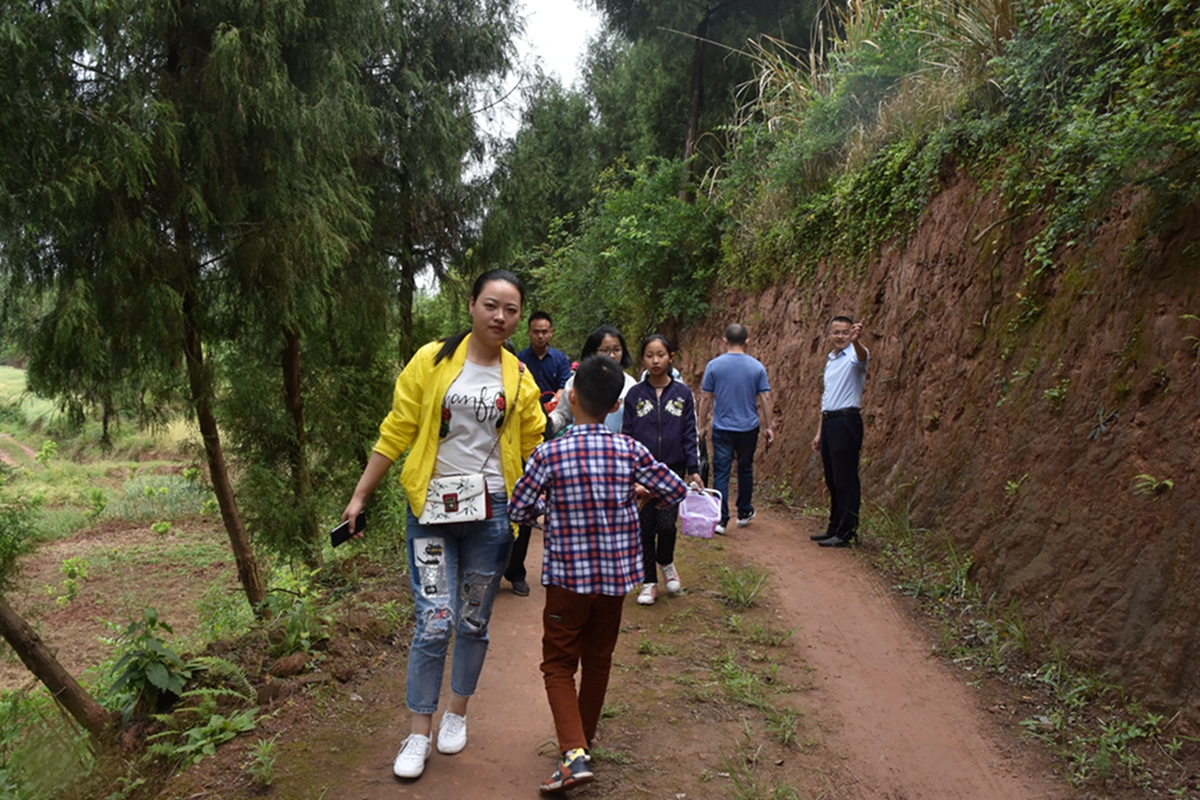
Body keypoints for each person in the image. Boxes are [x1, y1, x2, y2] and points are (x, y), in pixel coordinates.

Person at [340, 269, 545, 781]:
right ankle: (418, 730)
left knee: (473, 619)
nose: (501, 317)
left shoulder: (519, 376)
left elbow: (534, 444)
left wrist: (551, 496)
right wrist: (361, 494)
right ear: (472, 304)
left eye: (511, 309)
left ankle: (457, 713)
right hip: (429, 511)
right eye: (491, 305)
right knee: (433, 620)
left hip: (492, 514)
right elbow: (398, 428)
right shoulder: (431, 361)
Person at [507, 355, 687, 794]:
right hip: (614, 580)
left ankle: (573, 753)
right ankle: (581, 743)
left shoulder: (550, 452)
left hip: (568, 579)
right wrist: (639, 493)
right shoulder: (628, 449)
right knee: (599, 660)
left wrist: (549, 511)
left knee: (558, 664)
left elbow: (519, 508)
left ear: (571, 396)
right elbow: (676, 489)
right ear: (614, 408)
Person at [622, 335, 702, 606]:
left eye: (660, 355)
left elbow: (690, 432)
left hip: (672, 472)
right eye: (649, 355)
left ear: (671, 356)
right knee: (644, 529)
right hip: (642, 473)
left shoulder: (682, 393)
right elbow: (628, 435)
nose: (655, 360)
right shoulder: (634, 395)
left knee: (667, 525)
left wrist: (693, 468)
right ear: (643, 359)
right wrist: (628, 471)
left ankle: (666, 563)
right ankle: (649, 582)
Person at [506, 312, 572, 598]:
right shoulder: (519, 360)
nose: (540, 336)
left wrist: (552, 408)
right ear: (529, 332)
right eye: (536, 331)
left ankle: (516, 572)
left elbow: (564, 387)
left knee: (526, 500)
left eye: (545, 331)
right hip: (504, 445)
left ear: (551, 332)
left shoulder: (559, 359)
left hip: (544, 428)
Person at [698, 324, 774, 534]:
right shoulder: (757, 367)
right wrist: (770, 427)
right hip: (748, 427)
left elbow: (706, 397)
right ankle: (743, 511)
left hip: (722, 426)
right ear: (747, 341)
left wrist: (701, 426)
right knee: (745, 467)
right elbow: (766, 398)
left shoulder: (714, 366)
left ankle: (721, 520)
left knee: (721, 472)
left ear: (725, 341)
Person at [811, 316, 869, 548]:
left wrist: (857, 341)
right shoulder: (831, 360)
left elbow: (863, 357)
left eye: (845, 332)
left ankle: (847, 532)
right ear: (829, 334)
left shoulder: (856, 355)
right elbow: (827, 399)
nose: (840, 336)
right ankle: (834, 526)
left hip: (847, 421)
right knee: (833, 478)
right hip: (830, 422)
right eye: (836, 332)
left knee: (846, 478)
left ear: (851, 333)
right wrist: (819, 432)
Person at [546, 325, 638, 436]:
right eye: (605, 350)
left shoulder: (631, 385)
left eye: (617, 350)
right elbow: (562, 415)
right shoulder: (577, 381)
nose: (612, 355)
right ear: (593, 352)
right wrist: (548, 422)